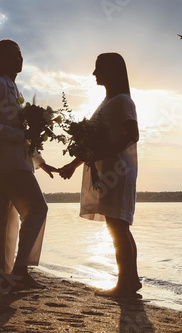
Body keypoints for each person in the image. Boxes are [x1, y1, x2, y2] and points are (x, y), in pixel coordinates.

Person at [0, 39, 59, 291]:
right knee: (38, 209)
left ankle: (5, 275)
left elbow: (22, 131)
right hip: (5, 162)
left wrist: (40, 162)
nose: (19, 59)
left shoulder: (13, 87)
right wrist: (21, 135)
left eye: (20, 55)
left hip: (13, 160)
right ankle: (19, 271)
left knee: (7, 216)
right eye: (13, 55)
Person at [60, 53, 141, 298]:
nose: (94, 73)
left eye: (98, 69)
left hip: (118, 170)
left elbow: (132, 135)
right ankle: (131, 281)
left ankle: (123, 285)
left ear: (112, 71)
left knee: (117, 226)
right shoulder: (107, 102)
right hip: (107, 171)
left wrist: (102, 152)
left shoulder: (122, 101)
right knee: (118, 226)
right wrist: (74, 164)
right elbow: (93, 143)